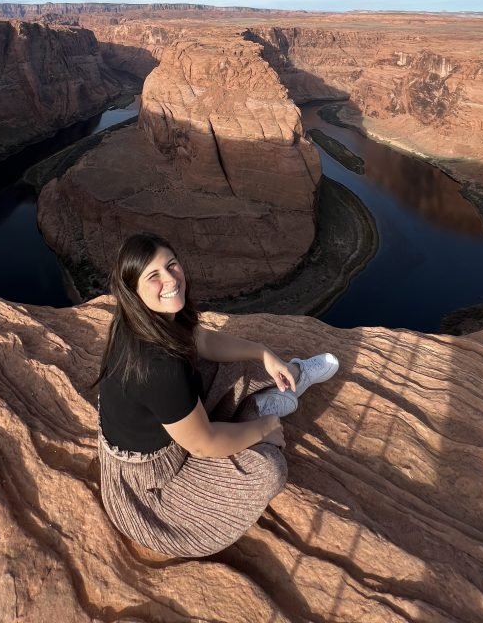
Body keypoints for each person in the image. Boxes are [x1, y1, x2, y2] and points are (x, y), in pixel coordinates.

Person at [95, 232, 340, 558]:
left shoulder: (148, 319)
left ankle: (290, 378)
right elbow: (203, 443)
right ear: (134, 290)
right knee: (268, 470)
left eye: (172, 265)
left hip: (174, 429)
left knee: (239, 364)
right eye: (153, 275)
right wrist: (266, 428)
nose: (170, 279)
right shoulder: (156, 365)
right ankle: (256, 412)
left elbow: (205, 342)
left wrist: (263, 353)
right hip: (153, 487)